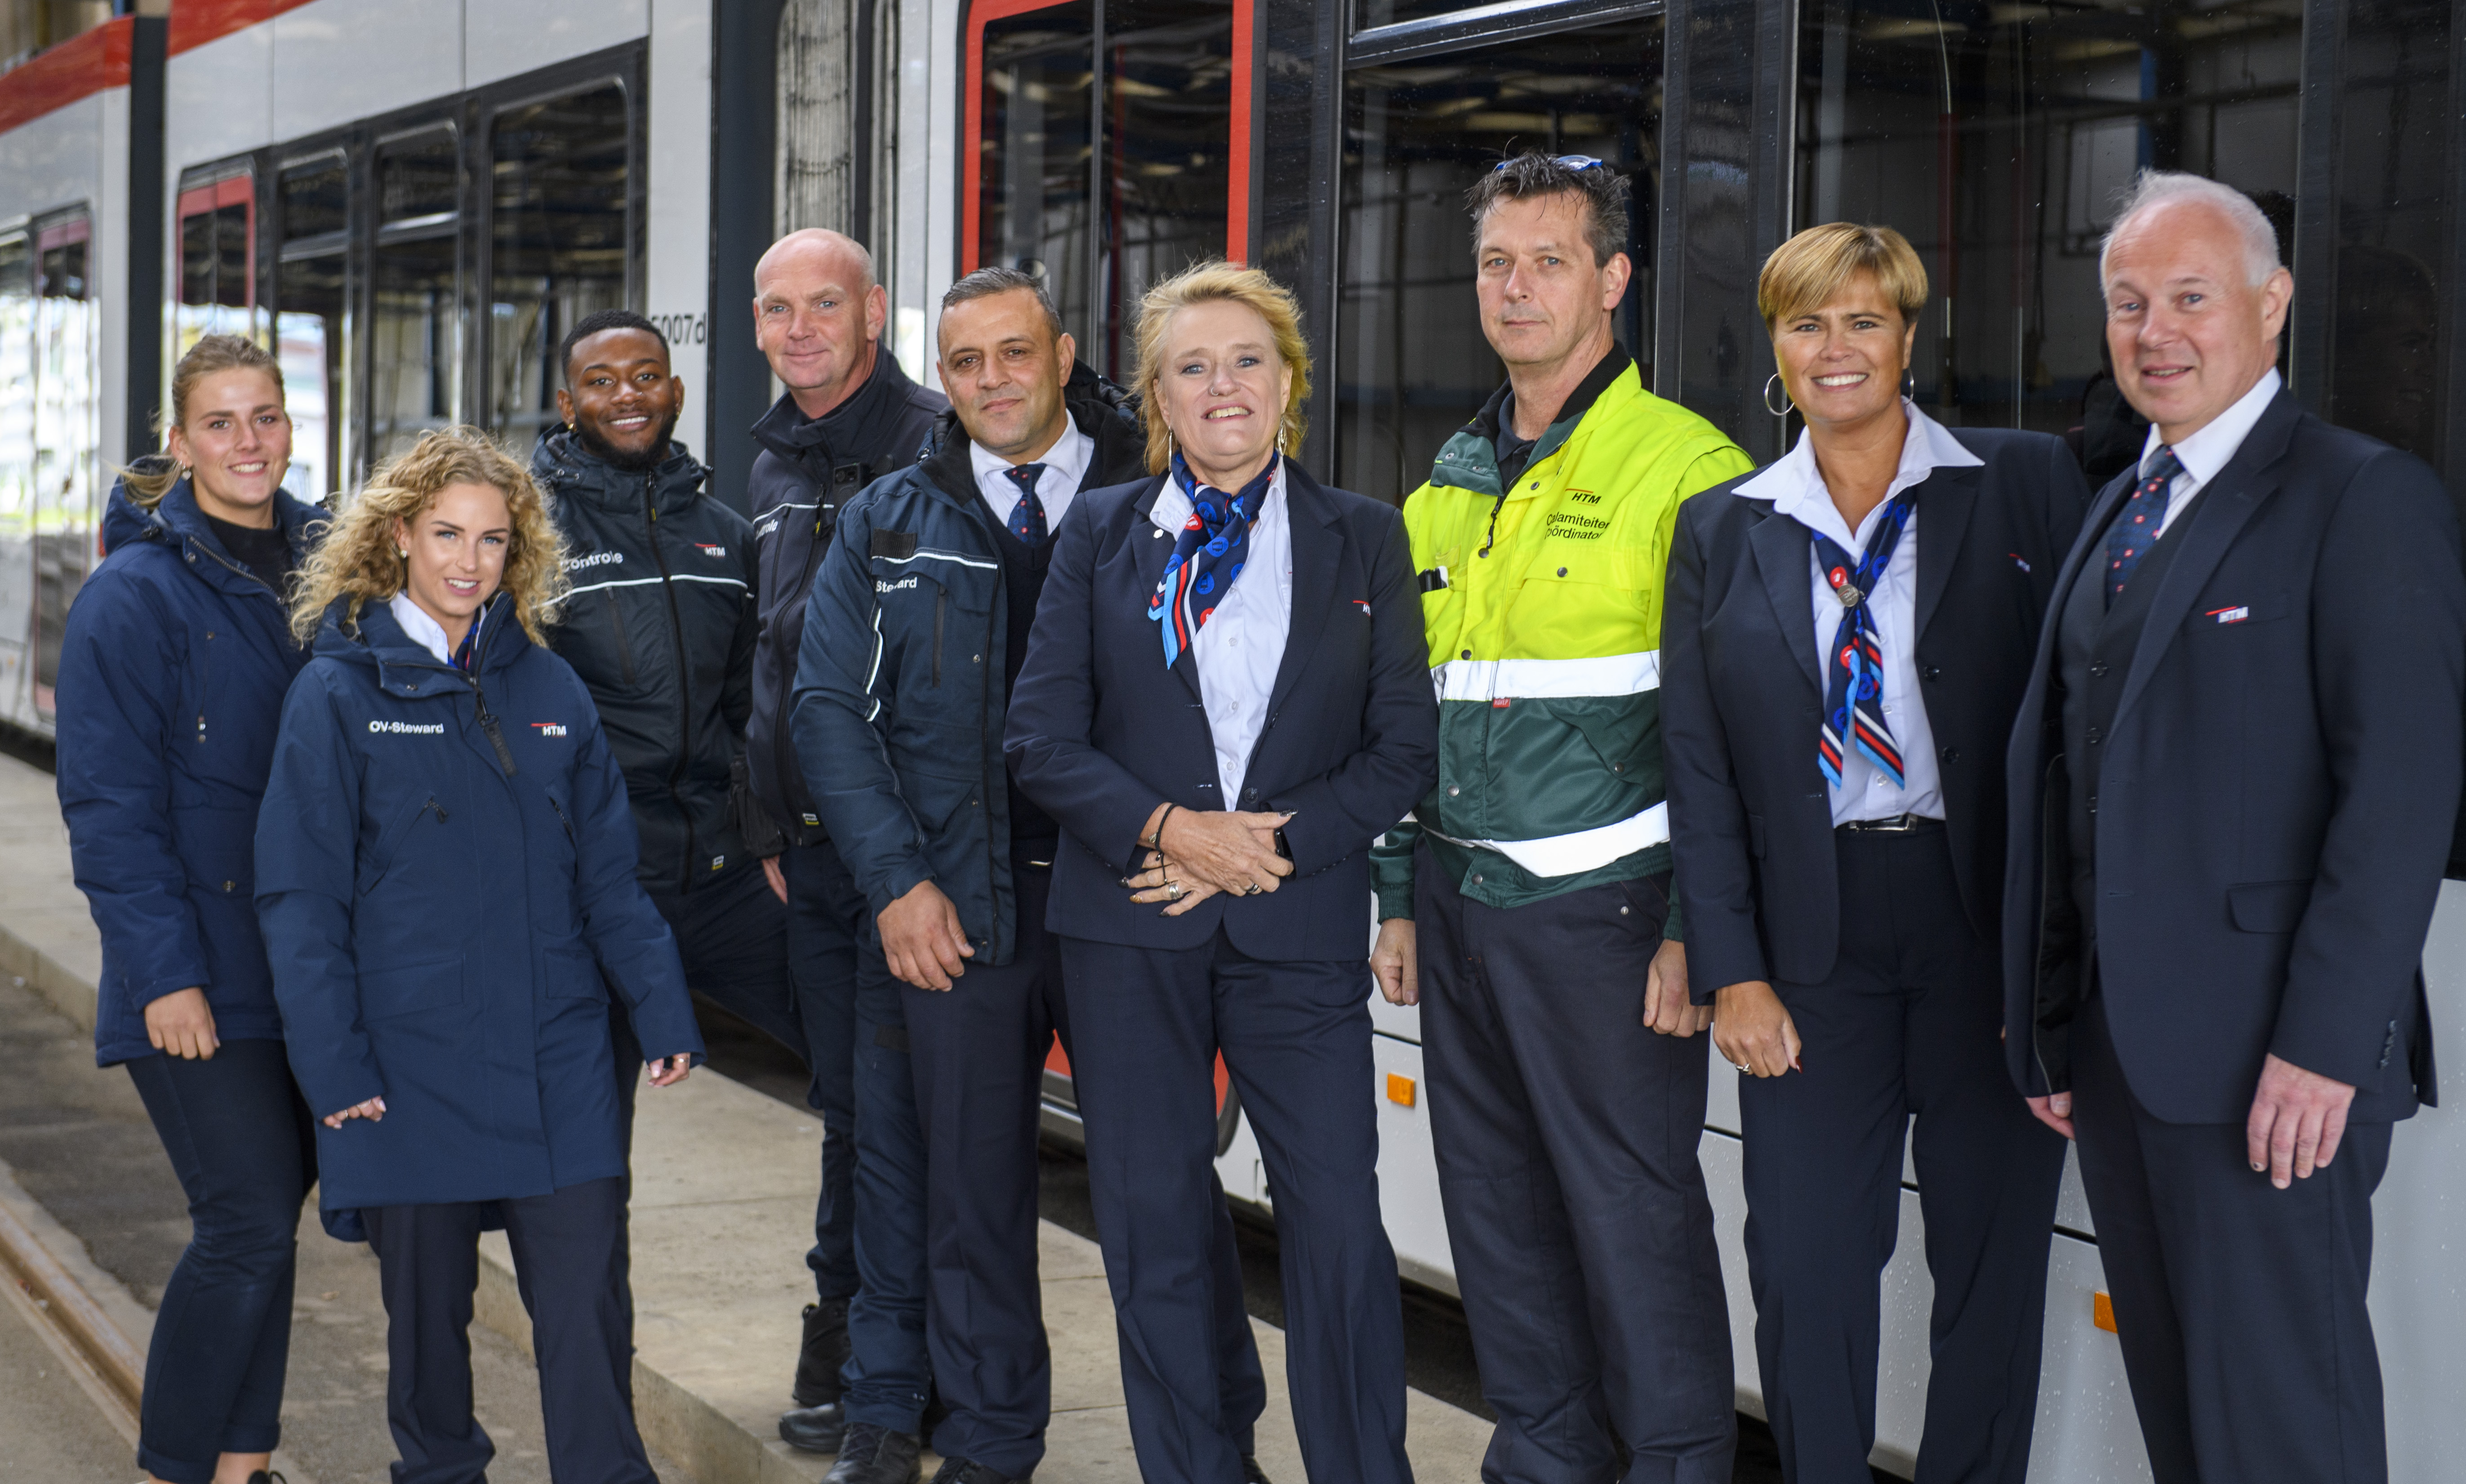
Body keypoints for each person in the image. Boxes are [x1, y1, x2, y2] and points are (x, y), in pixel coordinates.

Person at [2002, 170, 2465, 1483]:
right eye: (2126, 302)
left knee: (2281, 1428)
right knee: (2185, 1422)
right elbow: (2059, 778)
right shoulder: (2120, 505)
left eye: (2189, 298)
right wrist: (2043, 1019)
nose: (2154, 330)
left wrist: (2321, 1047)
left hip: (2272, 1070)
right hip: (2122, 1055)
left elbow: (2398, 797)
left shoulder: (2359, 499)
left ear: (2269, 306)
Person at [795, 266, 1271, 1484]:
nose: (992, 381)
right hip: (961, 907)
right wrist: (898, 882)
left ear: (1063, 354)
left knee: (1160, 1192)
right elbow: (827, 712)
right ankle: (991, 1445)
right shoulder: (888, 516)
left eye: (1014, 353)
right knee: (968, 1196)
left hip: (1127, 902)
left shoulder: (1160, 496)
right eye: (965, 363)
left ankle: (1211, 1448)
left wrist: (1201, 842)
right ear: (939, 378)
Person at [1660, 223, 2087, 1484]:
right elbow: (1699, 763)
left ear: (1909, 334)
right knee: (1802, 1263)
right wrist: (1729, 966)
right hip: (1808, 943)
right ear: (1774, 350)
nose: (1832, 348)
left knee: (1991, 1260)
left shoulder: (2020, 482)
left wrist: (2062, 953)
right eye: (1804, 323)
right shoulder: (1720, 525)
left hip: (1981, 929)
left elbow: (2074, 725)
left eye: (1861, 320)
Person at [1006, 260, 1435, 1484]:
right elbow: (1040, 735)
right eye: (1191, 366)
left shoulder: (1365, 534)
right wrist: (1168, 829)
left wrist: (1265, 844)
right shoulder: (1099, 535)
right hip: (1127, 927)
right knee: (1151, 1222)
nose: (1222, 385)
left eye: (1246, 359)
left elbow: (1402, 746)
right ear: (1156, 395)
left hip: (1293, 930)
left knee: (1337, 1225)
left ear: (1288, 381)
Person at [1364, 150, 1752, 1482]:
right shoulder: (1447, 481)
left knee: (1630, 1213)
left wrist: (1702, 932)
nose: (1515, 287)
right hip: (1464, 913)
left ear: (1612, 279)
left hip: (1611, 922)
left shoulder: (1686, 468)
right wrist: (1396, 891)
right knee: (1494, 1209)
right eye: (1494, 262)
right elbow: (1411, 713)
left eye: (1547, 260)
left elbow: (1735, 738)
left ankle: (1677, 1464)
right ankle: (1542, 1456)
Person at [255, 428, 706, 1484]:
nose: (469, 562)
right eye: (448, 534)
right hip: (410, 1068)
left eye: (493, 540)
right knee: (425, 1336)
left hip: (558, 1057)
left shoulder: (553, 691)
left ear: (521, 551)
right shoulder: (336, 693)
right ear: (399, 535)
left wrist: (663, 1009)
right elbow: (299, 898)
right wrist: (335, 1065)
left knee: (590, 1308)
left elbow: (609, 881)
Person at [54, 335, 322, 1484]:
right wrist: (164, 975)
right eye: (221, 422)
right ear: (179, 442)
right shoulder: (133, 593)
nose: (247, 442)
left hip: (304, 960)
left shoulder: (335, 566)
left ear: (291, 429)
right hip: (197, 969)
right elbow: (109, 807)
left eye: (265, 417)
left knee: (266, 1227)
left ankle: (241, 1462)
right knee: (247, 1219)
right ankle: (175, 1467)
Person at [746, 228, 949, 1444]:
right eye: (777, 309)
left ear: (873, 310)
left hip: (903, 853)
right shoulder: (770, 460)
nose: (800, 327)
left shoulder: (936, 443)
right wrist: (765, 815)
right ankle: (846, 1351)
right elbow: (770, 656)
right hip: (809, 854)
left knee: (900, 1117)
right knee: (851, 1112)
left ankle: (893, 1371)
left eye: (825, 302)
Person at [532, 308, 799, 1097]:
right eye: (601, 381)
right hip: (599, 887)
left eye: (645, 377)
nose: (627, 396)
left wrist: (771, 838)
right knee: (584, 1143)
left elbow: (756, 705)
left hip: (725, 878)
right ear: (566, 400)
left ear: (676, 390)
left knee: (865, 1068)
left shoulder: (728, 535)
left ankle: (849, 1228)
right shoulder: (528, 539)